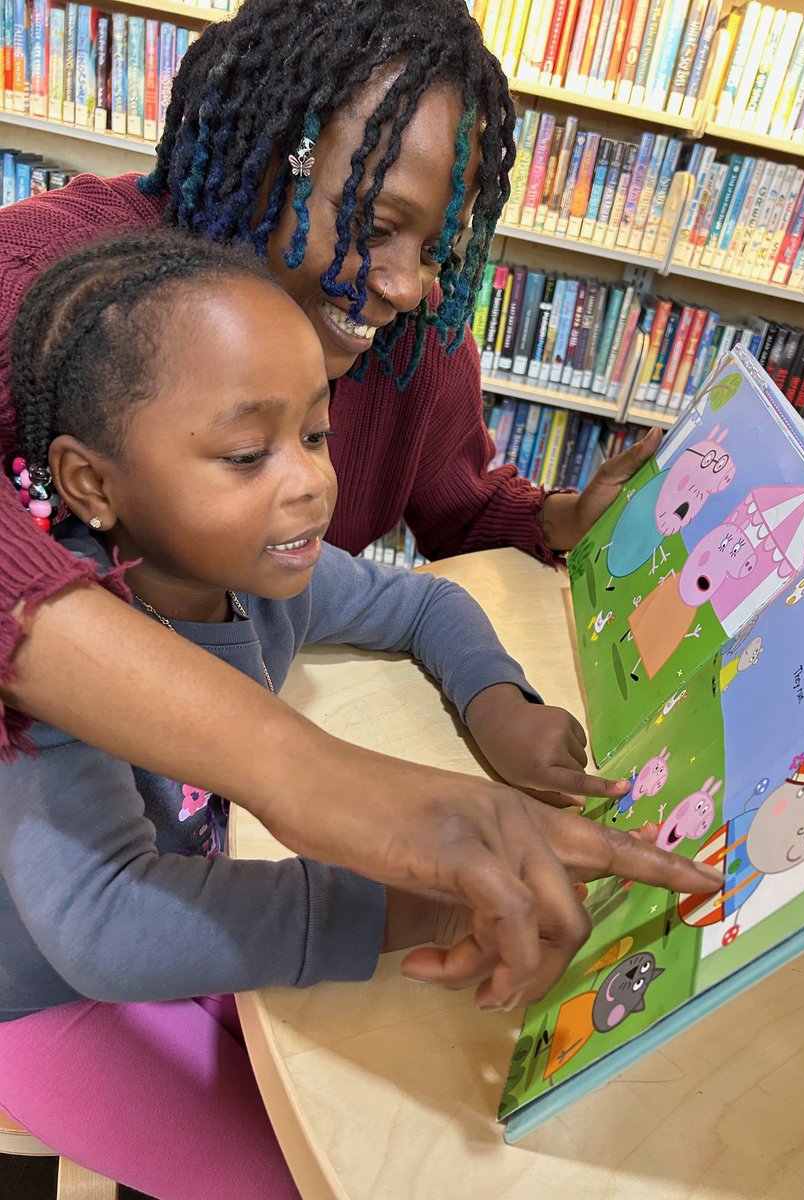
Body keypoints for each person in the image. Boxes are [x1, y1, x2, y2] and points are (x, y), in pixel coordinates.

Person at [0, 232, 720, 1198]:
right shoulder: (58, 665)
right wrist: (418, 902)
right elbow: (106, 927)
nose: (308, 483)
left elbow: (422, 602)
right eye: (248, 453)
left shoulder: (262, 571)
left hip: (197, 894)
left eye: (315, 434)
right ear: (93, 483)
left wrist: (498, 704)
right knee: (304, 1173)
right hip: (44, 999)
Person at [0, 0, 662, 1006]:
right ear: (275, 156)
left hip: (227, 892)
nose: (410, 287)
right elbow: (106, 922)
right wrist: (306, 774)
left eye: (315, 434)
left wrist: (549, 526)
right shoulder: (61, 297)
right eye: (378, 224)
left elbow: (450, 537)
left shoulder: (286, 539)